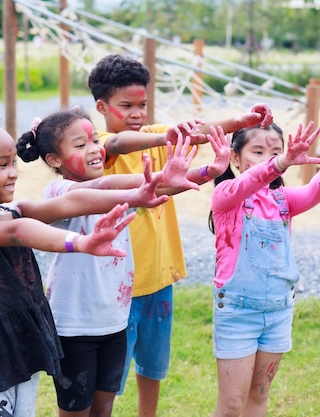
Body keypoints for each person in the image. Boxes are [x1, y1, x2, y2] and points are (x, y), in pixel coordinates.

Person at [0, 109, 173, 417]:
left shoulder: (14, 210)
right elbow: (17, 233)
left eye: (13, 163)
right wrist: (80, 243)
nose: (13, 172)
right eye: (1, 165)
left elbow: (73, 201)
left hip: (24, 345)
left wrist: (141, 191)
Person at [87, 53, 273, 417]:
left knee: (153, 366)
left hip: (159, 279)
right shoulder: (99, 144)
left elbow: (197, 130)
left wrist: (242, 120)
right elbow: (118, 144)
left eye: (143, 104)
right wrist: (164, 138)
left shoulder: (157, 135)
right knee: (109, 378)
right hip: (119, 285)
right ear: (101, 106)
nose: (138, 113)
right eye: (127, 105)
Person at [16, 107, 213, 417]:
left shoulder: (115, 187)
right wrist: (151, 182)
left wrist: (207, 172)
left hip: (114, 321)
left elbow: (153, 187)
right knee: (76, 410)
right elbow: (103, 189)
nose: (94, 149)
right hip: (74, 326)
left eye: (95, 140)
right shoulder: (59, 191)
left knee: (104, 408)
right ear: (54, 159)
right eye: (80, 145)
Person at [208, 121, 320, 417]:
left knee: (259, 397)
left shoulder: (281, 200)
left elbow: (311, 194)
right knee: (231, 406)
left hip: (277, 312)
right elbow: (247, 183)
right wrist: (280, 162)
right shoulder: (226, 195)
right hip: (238, 315)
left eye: (276, 151)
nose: (269, 158)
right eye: (258, 151)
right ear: (235, 158)